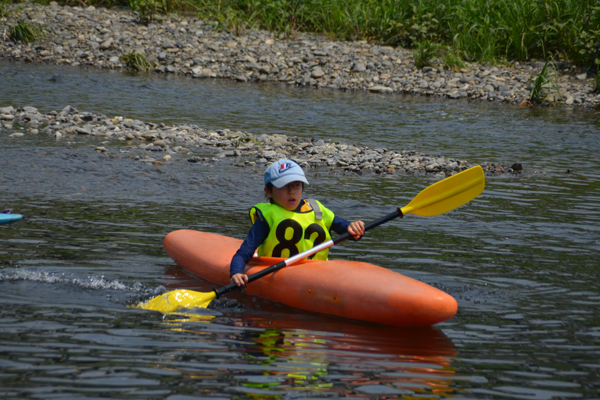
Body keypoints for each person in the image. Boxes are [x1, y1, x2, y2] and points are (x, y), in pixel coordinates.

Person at [230, 159, 365, 287]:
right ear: (268, 192)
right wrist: (236, 272)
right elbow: (244, 252)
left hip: (320, 274)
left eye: (297, 185)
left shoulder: (316, 208)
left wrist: (354, 228)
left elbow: (348, 232)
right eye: (284, 186)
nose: (291, 191)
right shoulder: (268, 217)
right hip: (278, 273)